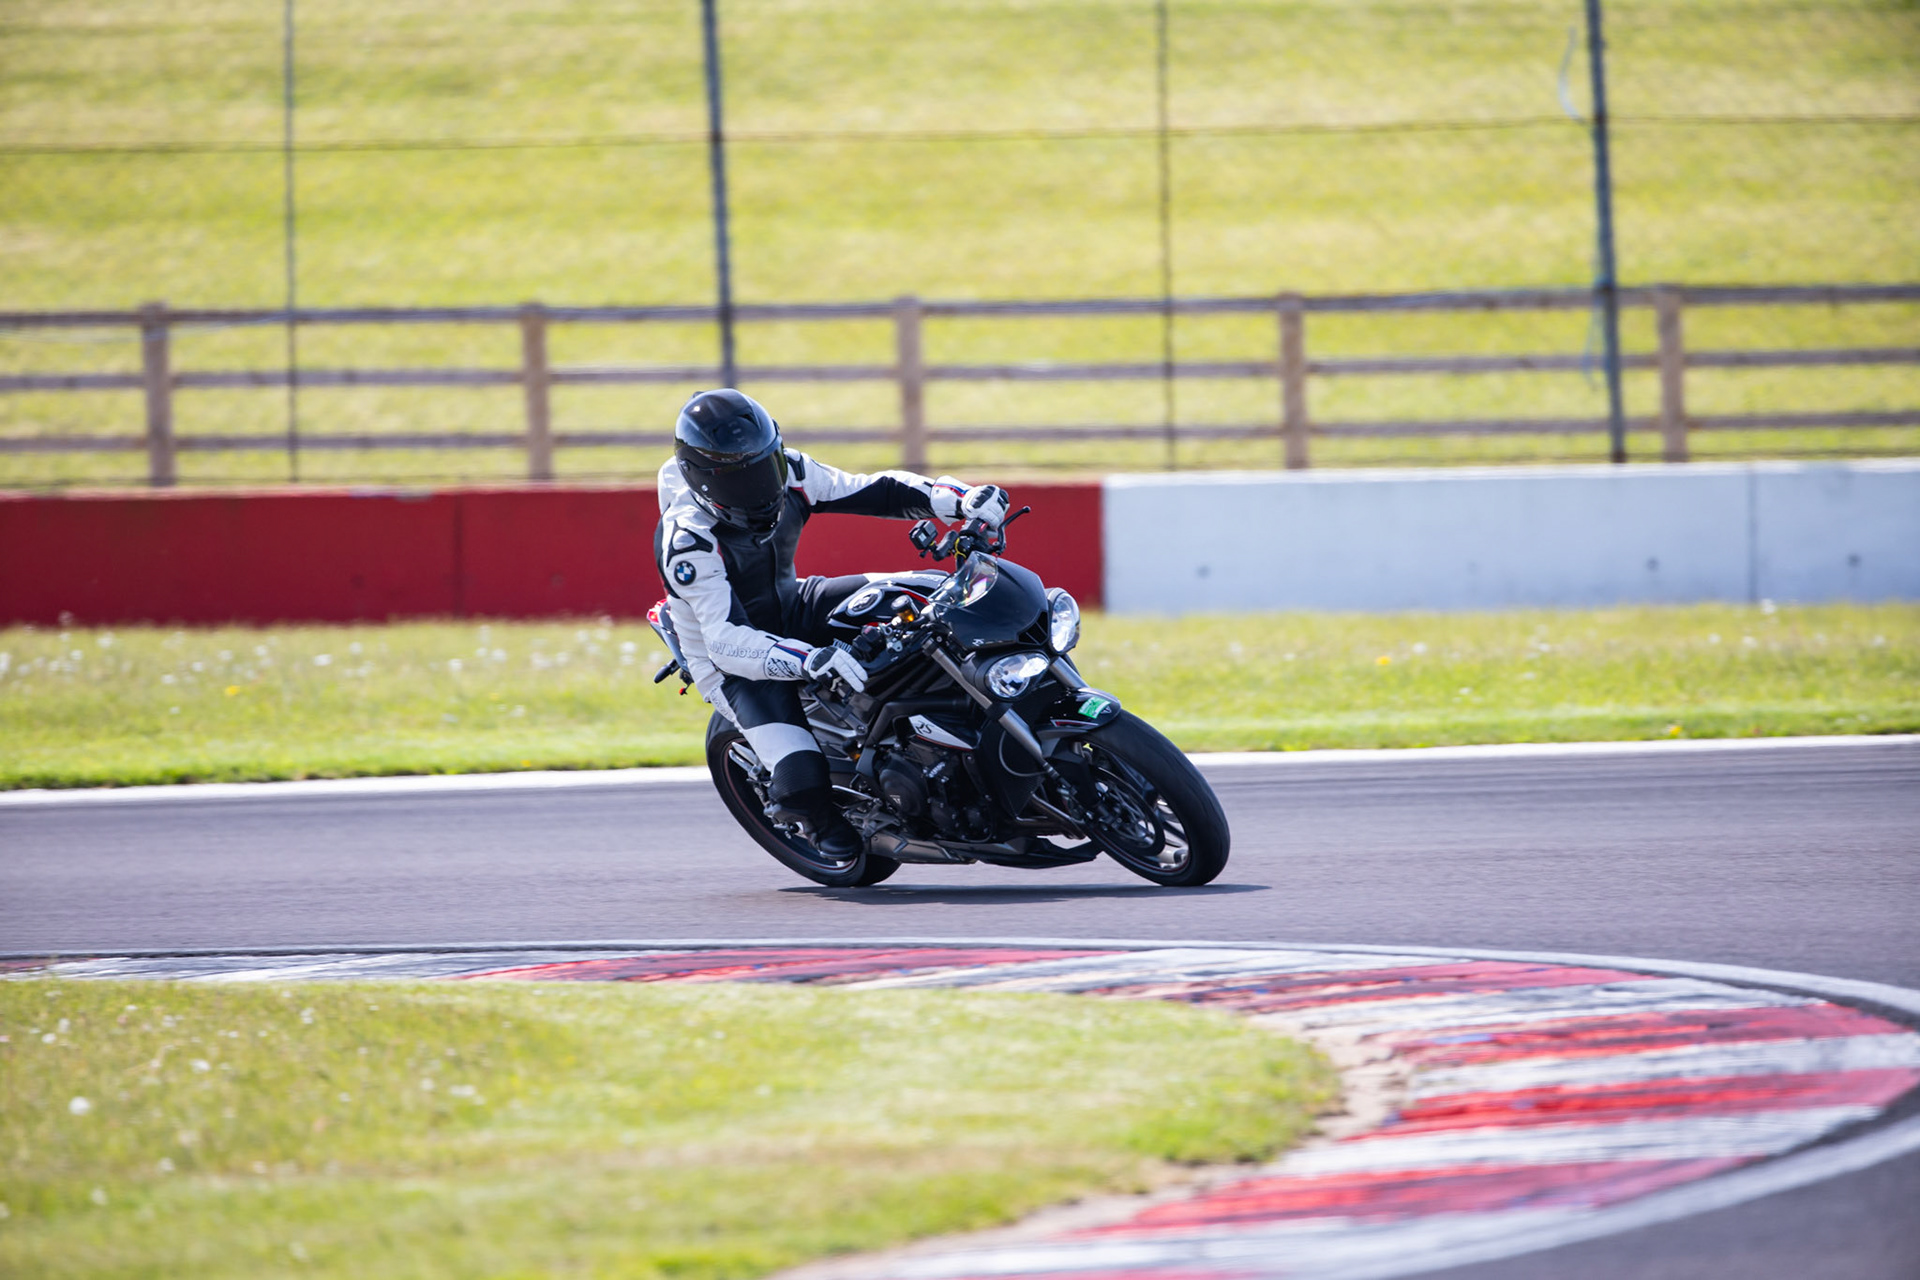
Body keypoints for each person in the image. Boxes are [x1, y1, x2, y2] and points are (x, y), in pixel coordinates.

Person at [655, 388, 1011, 859]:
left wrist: (959, 499)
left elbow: (874, 488)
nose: (762, 486)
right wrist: (808, 659)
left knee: (922, 589)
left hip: (794, 604)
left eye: (765, 466)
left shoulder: (792, 471)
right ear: (702, 483)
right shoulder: (688, 542)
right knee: (802, 782)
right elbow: (723, 640)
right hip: (732, 661)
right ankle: (814, 821)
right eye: (741, 480)